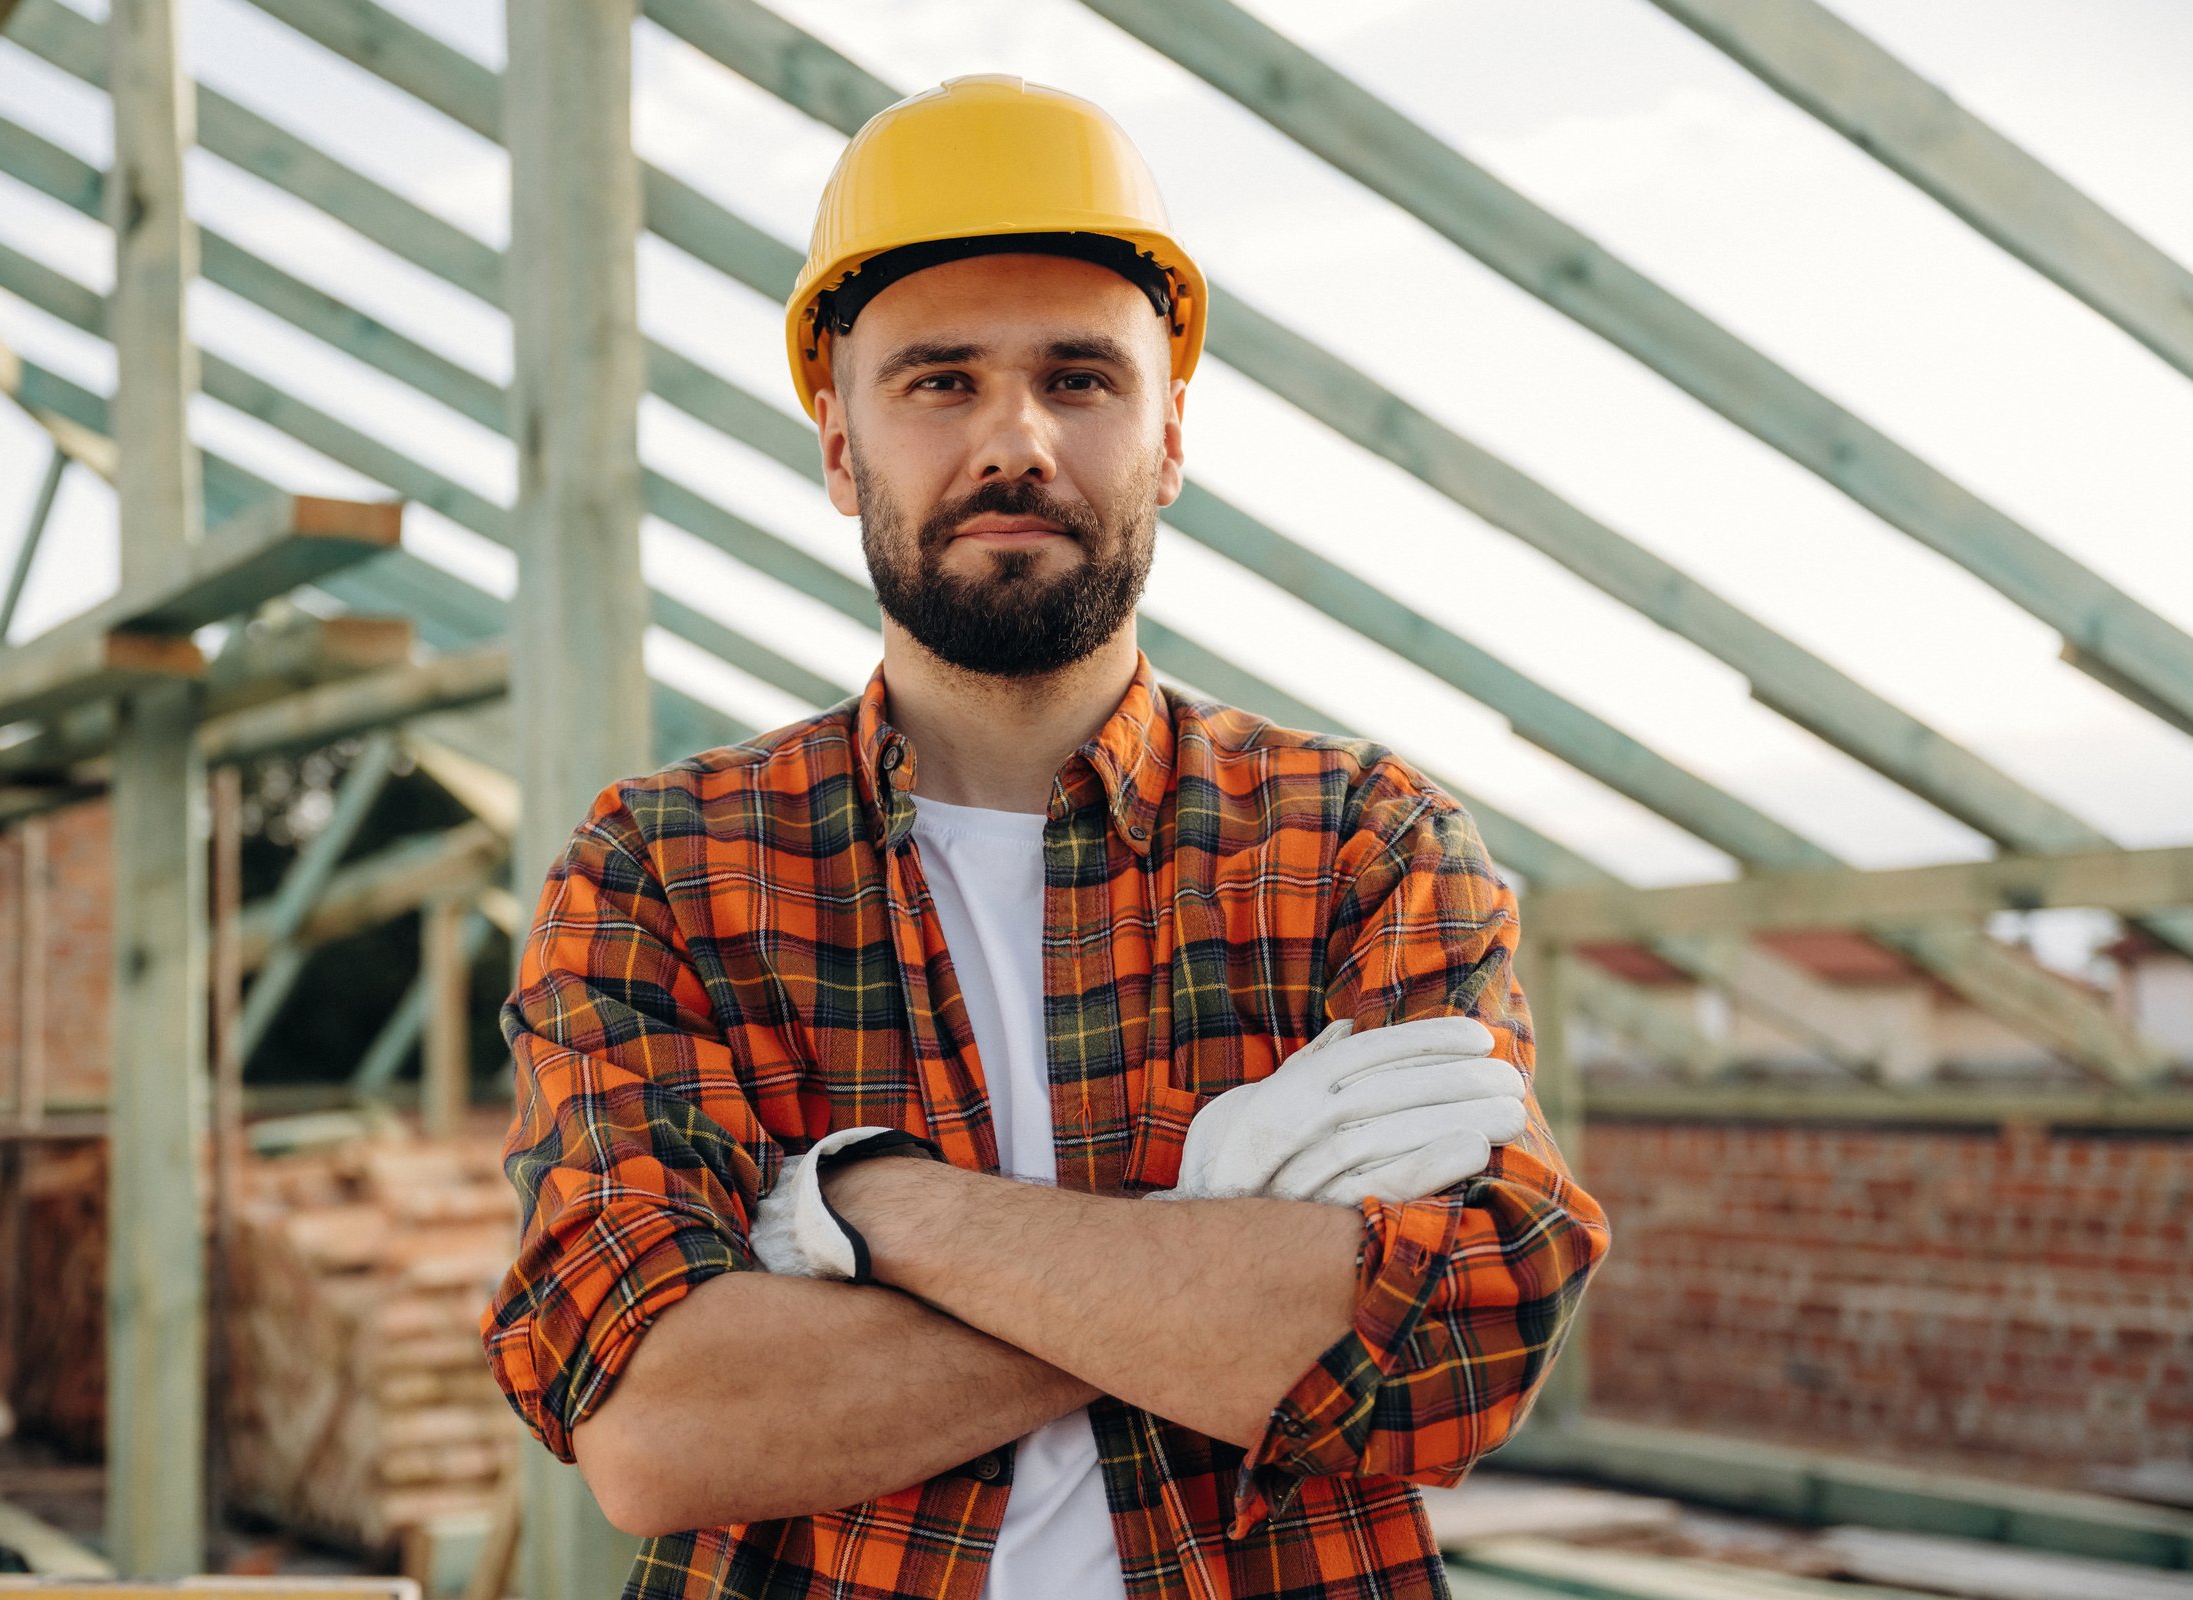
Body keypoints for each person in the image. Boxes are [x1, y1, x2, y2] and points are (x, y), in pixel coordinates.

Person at [481, 74, 1609, 1600]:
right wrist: (1221, 1261)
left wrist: (867, 1205)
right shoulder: (666, 872)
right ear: (837, 448)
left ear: (1169, 437)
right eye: (937, 382)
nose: (1013, 438)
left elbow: (1454, 1355)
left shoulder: (1361, 848)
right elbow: (659, 1426)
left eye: (1081, 379)